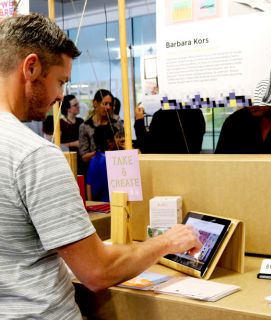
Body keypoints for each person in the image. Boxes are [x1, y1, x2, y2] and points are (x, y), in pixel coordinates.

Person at [0, 13, 202, 319]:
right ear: (31, 68)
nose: (59, 96)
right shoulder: (34, 155)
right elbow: (97, 271)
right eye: (60, 81)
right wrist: (166, 241)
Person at [134, 104, 206, 153]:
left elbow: (147, 148)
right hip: (193, 166)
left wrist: (139, 120)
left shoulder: (161, 116)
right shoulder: (197, 113)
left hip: (167, 169)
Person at [79, 89, 122, 165]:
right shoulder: (85, 127)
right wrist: (100, 153)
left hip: (116, 167)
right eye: (105, 104)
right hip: (95, 169)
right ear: (95, 103)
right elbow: (84, 157)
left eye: (110, 104)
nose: (108, 107)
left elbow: (125, 147)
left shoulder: (117, 124)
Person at [86, 125, 124, 202]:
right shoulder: (113, 160)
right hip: (111, 203)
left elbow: (89, 185)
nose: (121, 139)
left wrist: (91, 203)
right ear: (109, 141)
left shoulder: (94, 158)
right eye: (117, 137)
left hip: (97, 204)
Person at [60, 94, 85, 174]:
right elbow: (57, 144)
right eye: (75, 105)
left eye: (78, 104)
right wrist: (73, 144)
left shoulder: (80, 121)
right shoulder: (61, 123)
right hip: (68, 160)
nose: (78, 106)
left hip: (82, 159)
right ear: (68, 109)